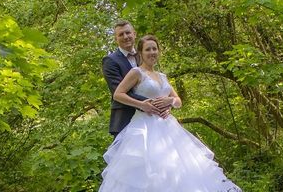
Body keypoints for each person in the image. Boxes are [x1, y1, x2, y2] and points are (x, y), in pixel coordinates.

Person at [99, 34, 242, 192]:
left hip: (169, 127)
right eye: (148, 49)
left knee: (180, 169)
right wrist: (141, 105)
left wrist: (171, 102)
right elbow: (118, 94)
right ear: (140, 52)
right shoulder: (136, 73)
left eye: (154, 49)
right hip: (144, 128)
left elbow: (178, 100)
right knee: (151, 171)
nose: (152, 52)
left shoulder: (162, 76)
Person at [102, 21, 166, 137]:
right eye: (121, 34)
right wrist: (155, 104)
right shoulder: (110, 61)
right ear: (116, 39)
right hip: (125, 119)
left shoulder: (146, 54)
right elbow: (119, 91)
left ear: (134, 34)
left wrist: (165, 104)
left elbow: (156, 84)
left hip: (153, 118)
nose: (125, 37)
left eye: (128, 33)